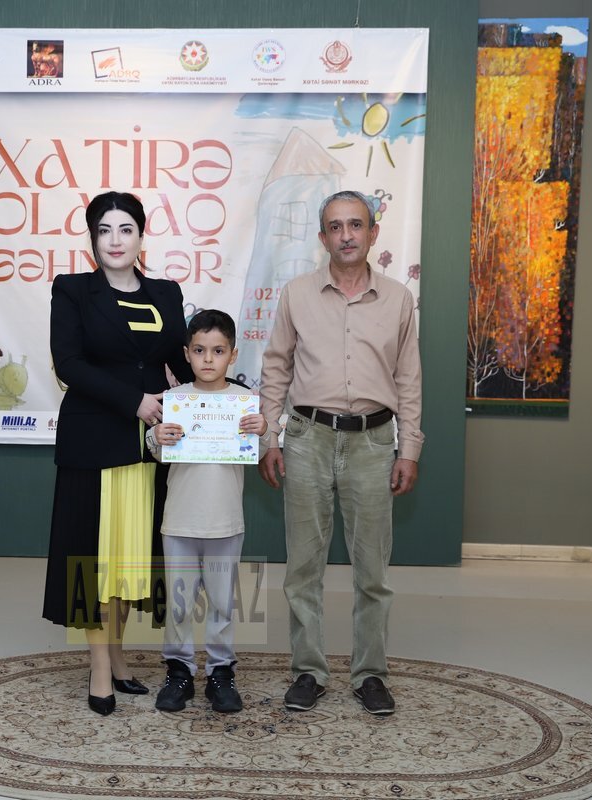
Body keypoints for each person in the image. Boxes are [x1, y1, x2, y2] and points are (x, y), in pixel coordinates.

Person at [258, 189, 423, 716]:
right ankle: (308, 671)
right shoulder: (297, 295)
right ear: (322, 237)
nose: (346, 235)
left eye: (355, 225)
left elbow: (409, 378)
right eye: (335, 226)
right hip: (307, 438)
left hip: (374, 443)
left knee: (372, 571)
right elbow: (276, 368)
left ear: (373, 233)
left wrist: (409, 448)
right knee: (303, 567)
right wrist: (269, 437)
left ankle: (371, 675)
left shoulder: (398, 299)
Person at [41, 191, 194, 716]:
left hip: (150, 449)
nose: (115, 240)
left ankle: (120, 654)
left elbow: (185, 364)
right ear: (92, 239)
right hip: (94, 444)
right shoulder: (72, 291)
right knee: (94, 562)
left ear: (141, 236)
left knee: (131, 561)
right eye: (104, 230)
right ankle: (100, 667)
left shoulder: (166, 293)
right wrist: (136, 401)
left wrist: (230, 401)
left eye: (125, 229)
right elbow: (69, 364)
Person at [145, 309, 266, 714]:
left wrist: (264, 431)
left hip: (225, 522)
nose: (208, 359)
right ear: (186, 353)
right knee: (179, 604)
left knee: (221, 603)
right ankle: (178, 671)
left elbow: (259, 451)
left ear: (233, 354)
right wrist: (156, 436)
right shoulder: (175, 400)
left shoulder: (244, 402)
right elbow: (157, 450)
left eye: (218, 350)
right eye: (199, 350)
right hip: (180, 520)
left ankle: (220, 672)